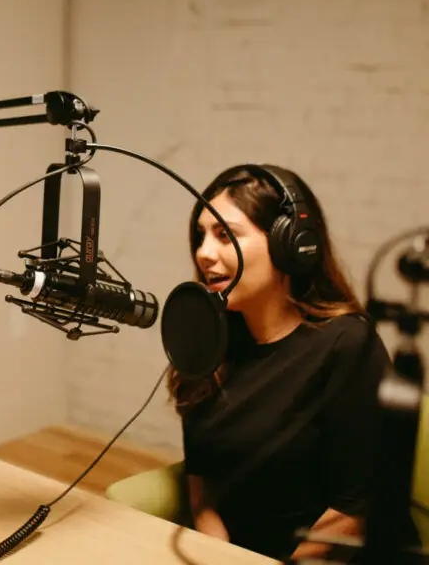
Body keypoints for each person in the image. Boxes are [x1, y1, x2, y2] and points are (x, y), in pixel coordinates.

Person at [166, 164, 421, 561]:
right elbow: (204, 491)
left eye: (225, 234)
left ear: (290, 244)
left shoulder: (347, 345)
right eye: (201, 236)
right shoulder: (206, 344)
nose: (203, 253)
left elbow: (355, 509)